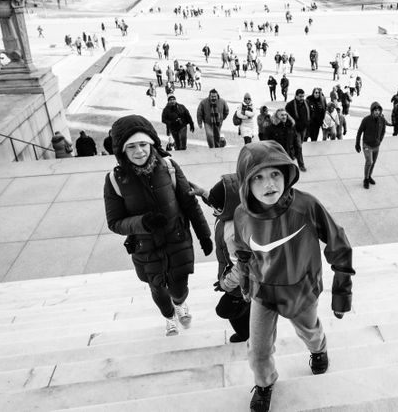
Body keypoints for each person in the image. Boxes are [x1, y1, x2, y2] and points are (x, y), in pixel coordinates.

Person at [234, 140, 354, 412]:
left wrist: (342, 291)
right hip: (263, 292)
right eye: (259, 177)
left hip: (301, 290)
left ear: (286, 174)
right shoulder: (242, 215)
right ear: (246, 184)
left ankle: (318, 349)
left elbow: (338, 243)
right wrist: (244, 280)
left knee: (310, 333)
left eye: (275, 174)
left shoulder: (306, 205)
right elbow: (243, 252)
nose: (269, 184)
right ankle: (264, 384)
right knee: (258, 350)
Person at [104, 115, 213, 336]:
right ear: (121, 151)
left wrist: (204, 234)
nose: (139, 151)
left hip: (177, 241)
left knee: (179, 287)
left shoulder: (169, 166)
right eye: (131, 146)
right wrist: (142, 223)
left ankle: (180, 303)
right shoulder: (115, 179)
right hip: (146, 248)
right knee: (157, 289)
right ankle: (169, 316)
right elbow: (114, 222)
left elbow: (189, 202)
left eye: (143, 144)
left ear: (152, 143)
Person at [191, 175, 250, 343]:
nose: (214, 211)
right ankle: (247, 309)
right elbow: (222, 200)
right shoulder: (233, 210)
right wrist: (203, 193)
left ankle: (246, 333)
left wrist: (226, 283)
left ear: (228, 208)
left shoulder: (233, 233)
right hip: (232, 275)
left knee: (225, 310)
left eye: (217, 209)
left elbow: (242, 267)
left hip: (240, 282)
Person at [355, 102, 392, 189]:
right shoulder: (366, 120)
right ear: (372, 111)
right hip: (367, 145)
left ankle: (369, 176)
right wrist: (357, 143)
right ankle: (366, 179)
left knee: (373, 163)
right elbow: (359, 132)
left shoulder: (382, 120)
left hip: (376, 146)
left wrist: (380, 140)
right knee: (369, 162)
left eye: (378, 110)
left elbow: (383, 131)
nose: (377, 112)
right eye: (375, 110)